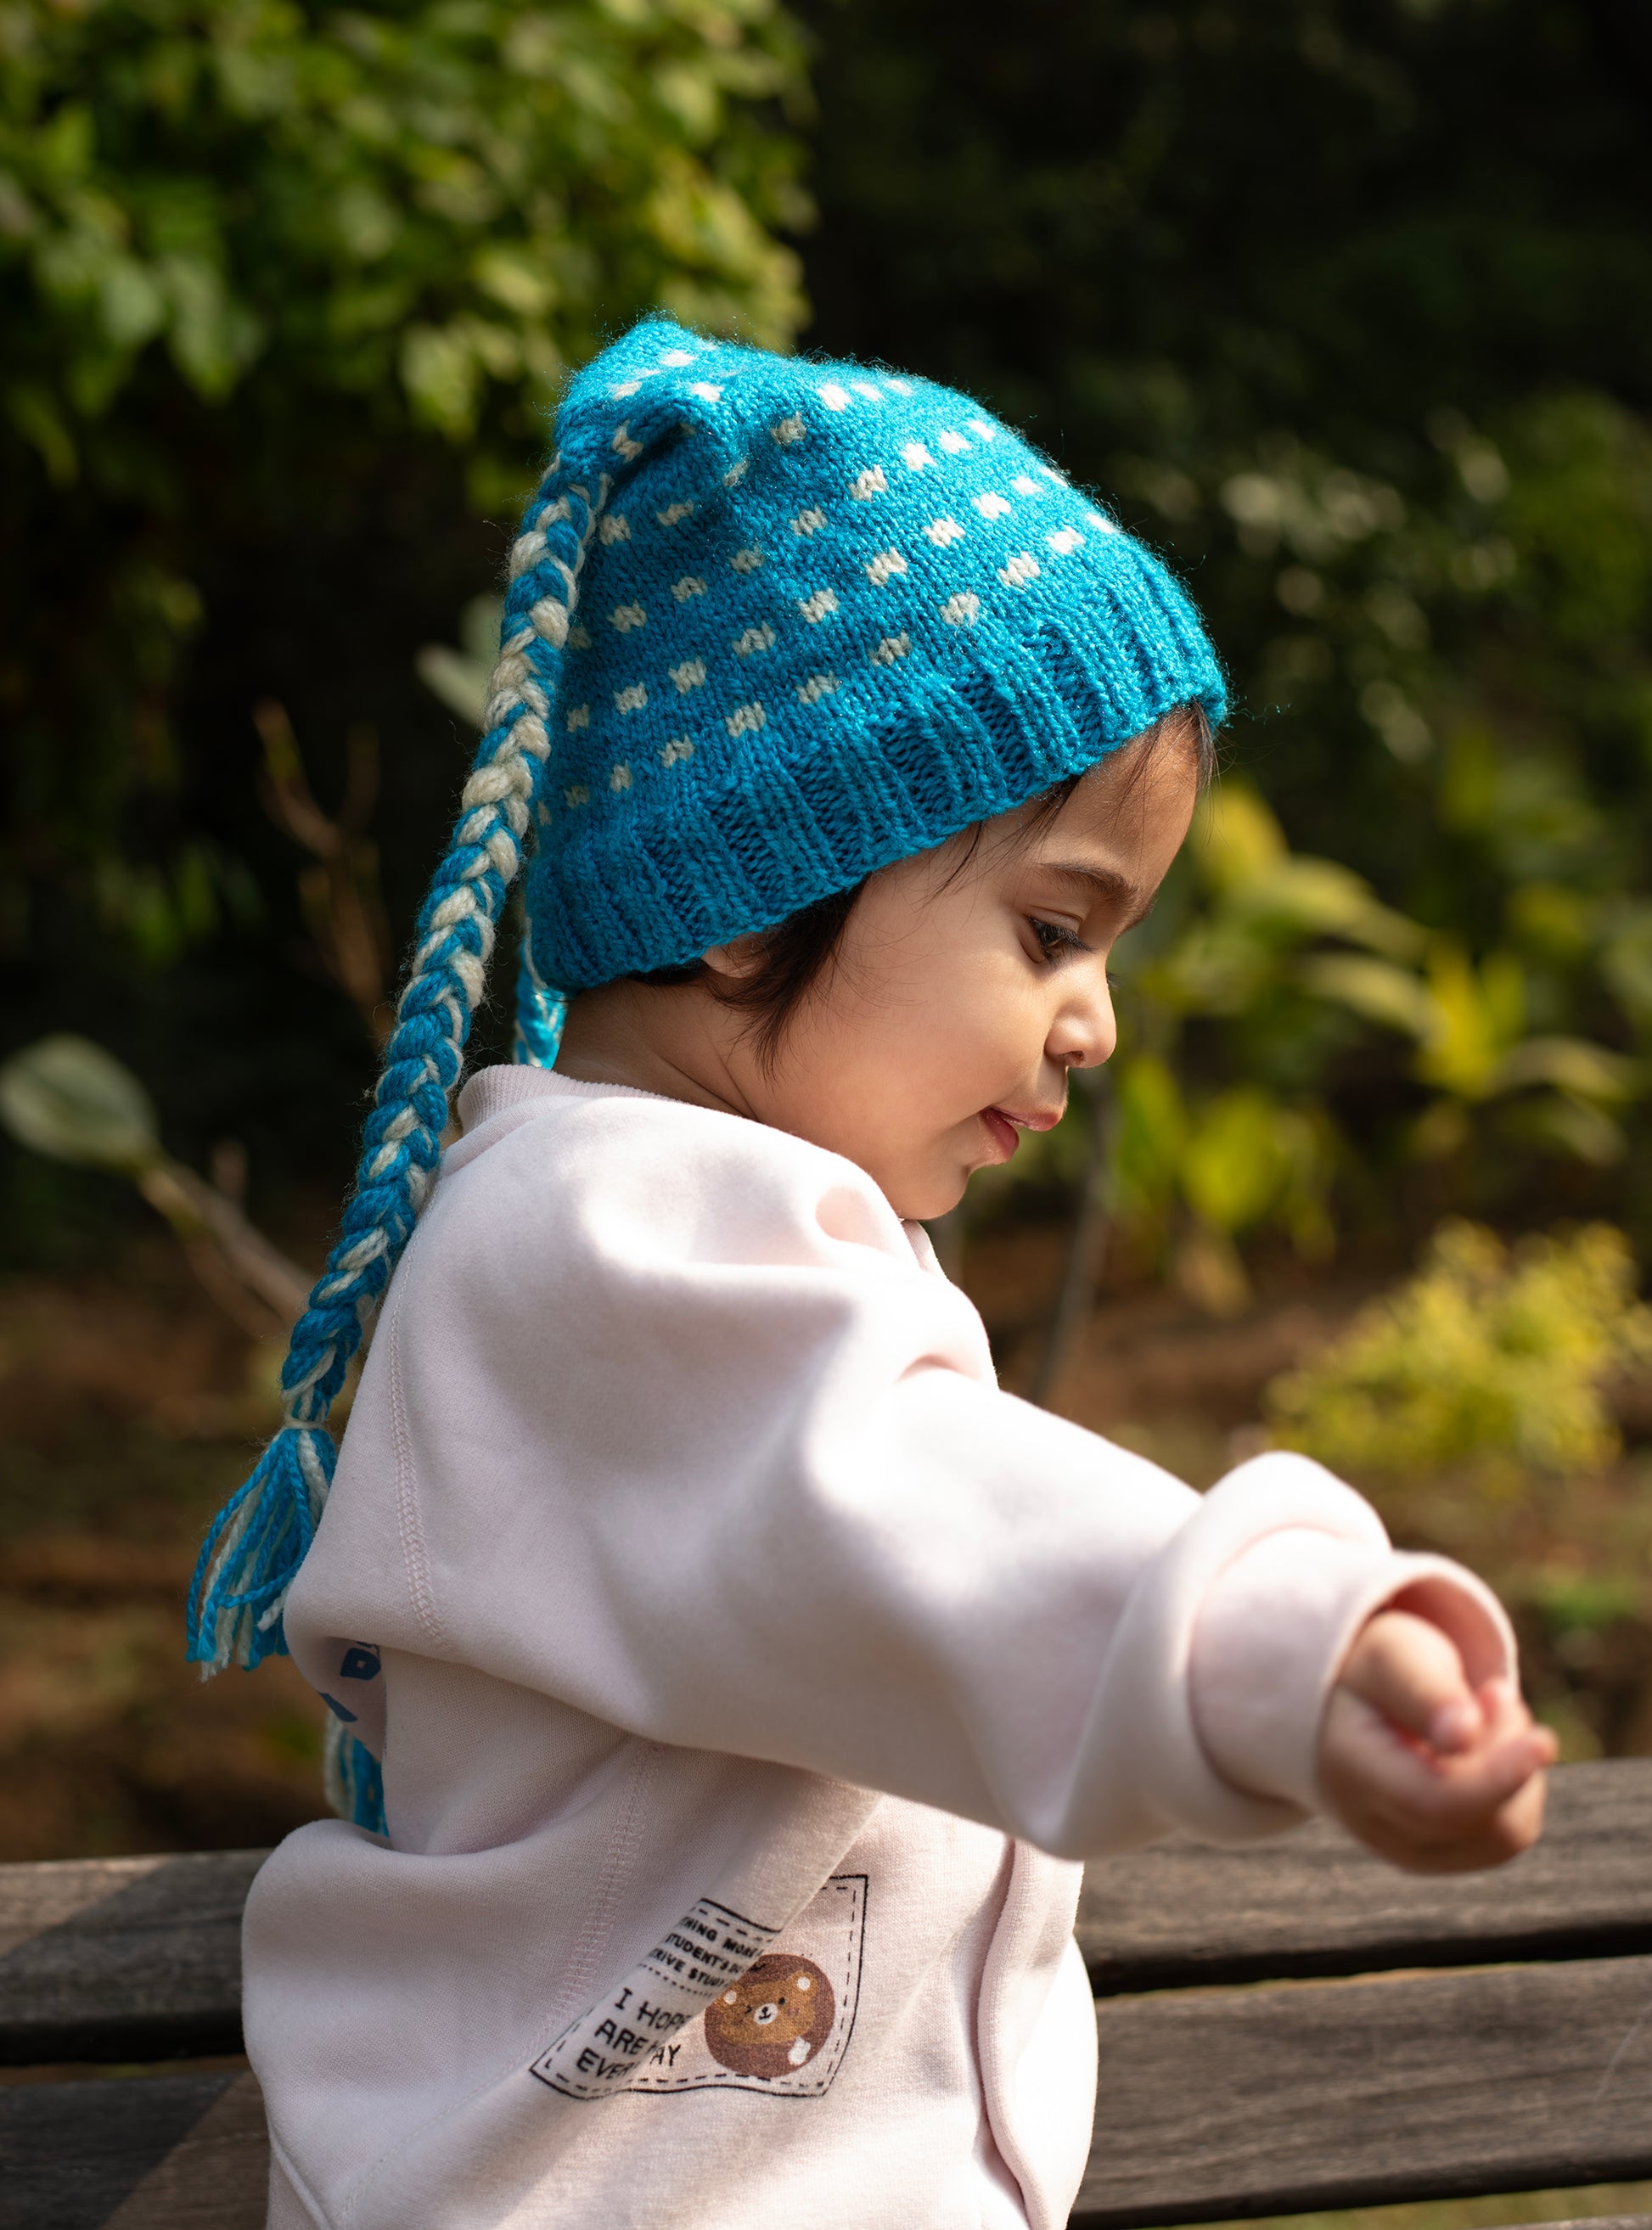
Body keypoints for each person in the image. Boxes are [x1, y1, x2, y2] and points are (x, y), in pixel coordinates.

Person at [190, 319, 1554, 2230]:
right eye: (1053, 927)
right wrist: (1283, 1647)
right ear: (752, 898)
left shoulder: (666, 1223)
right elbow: (905, 1506)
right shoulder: (609, 1243)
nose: (1092, 1023)